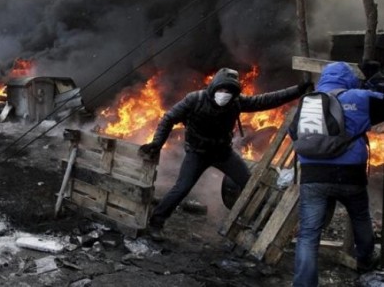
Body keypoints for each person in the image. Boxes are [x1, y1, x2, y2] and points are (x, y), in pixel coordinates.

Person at [139, 67, 312, 241]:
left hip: (223, 153)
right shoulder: (195, 99)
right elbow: (169, 118)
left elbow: (266, 101)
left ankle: (261, 224)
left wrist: (297, 90)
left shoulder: (236, 102)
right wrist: (157, 144)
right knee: (181, 188)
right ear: (213, 87)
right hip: (197, 153)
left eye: (229, 91)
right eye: (221, 89)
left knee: (250, 184)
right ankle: (156, 223)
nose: (224, 94)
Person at [293, 62, 384, 287]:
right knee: (360, 218)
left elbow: (294, 133)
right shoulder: (359, 97)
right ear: (348, 78)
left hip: (313, 177)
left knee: (308, 235)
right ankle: (365, 265)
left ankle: (304, 284)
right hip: (350, 175)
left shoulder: (309, 102)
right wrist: (376, 78)